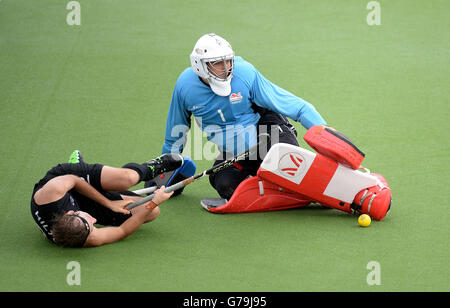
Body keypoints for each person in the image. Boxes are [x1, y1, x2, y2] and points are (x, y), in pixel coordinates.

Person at [162, 33, 327, 200]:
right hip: (235, 153)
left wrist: (326, 137)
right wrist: (165, 171)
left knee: (283, 159)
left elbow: (297, 107)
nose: (226, 68)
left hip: (268, 132)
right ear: (199, 65)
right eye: (218, 63)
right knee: (224, 184)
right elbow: (176, 131)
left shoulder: (245, 73)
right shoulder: (185, 86)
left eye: (228, 61)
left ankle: (303, 182)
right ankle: (270, 184)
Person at [31, 150, 183, 248]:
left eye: (89, 219)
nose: (94, 221)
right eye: (92, 225)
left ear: (71, 213)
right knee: (152, 212)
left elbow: (75, 181)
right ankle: (107, 185)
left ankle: (150, 168)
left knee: (128, 179)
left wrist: (109, 204)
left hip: (67, 179)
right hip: (79, 202)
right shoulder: (80, 237)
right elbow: (122, 231)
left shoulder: (50, 195)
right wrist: (154, 203)